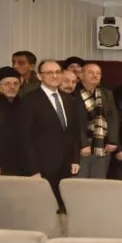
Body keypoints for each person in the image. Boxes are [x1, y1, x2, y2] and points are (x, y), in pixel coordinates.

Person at [17, 60, 82, 209]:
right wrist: (33, 169)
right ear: (40, 76)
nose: (54, 76)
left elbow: (73, 132)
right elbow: (24, 138)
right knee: (44, 209)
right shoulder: (29, 100)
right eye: (49, 73)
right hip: (42, 166)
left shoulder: (68, 99)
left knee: (65, 207)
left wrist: (75, 159)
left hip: (66, 165)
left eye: (58, 72)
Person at [76, 63, 121, 179]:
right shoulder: (73, 94)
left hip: (102, 145)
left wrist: (113, 140)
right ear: (81, 75)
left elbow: (113, 118)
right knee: (79, 183)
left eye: (98, 73)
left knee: (98, 182)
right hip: (81, 146)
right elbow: (74, 122)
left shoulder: (107, 93)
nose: (95, 76)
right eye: (90, 72)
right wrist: (83, 144)